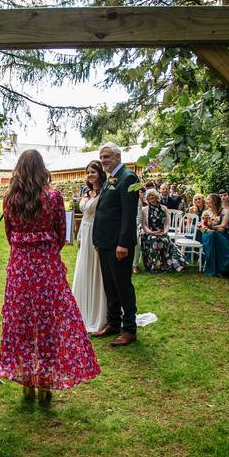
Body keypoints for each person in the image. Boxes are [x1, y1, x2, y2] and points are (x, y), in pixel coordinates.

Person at [0, 149, 100, 406]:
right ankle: (45, 383)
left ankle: (26, 382)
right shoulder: (54, 197)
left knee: (21, 322)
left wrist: (24, 249)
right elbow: (59, 233)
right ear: (42, 168)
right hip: (46, 267)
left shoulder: (10, 198)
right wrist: (46, 251)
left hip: (20, 267)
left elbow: (10, 235)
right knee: (48, 324)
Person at [91, 143, 140, 346]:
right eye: (102, 157)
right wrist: (97, 240)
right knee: (109, 285)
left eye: (107, 157)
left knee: (122, 285)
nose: (103, 161)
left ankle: (129, 328)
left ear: (118, 157)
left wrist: (123, 244)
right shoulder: (110, 178)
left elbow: (128, 215)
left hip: (118, 245)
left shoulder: (129, 178)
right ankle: (113, 322)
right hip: (104, 242)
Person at [71, 161, 108, 333]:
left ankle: (97, 312)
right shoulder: (87, 192)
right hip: (84, 234)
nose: (90, 175)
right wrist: (78, 235)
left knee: (96, 270)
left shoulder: (105, 192)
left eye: (93, 172)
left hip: (96, 232)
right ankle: (80, 309)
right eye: (88, 172)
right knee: (84, 269)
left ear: (100, 173)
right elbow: (84, 215)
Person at [140, 189, 186, 273]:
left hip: (162, 232)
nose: (151, 197)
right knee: (155, 240)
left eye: (153, 195)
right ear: (147, 198)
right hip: (149, 233)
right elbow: (144, 225)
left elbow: (167, 223)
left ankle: (166, 264)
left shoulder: (164, 208)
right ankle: (155, 266)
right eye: (149, 196)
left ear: (157, 196)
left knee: (163, 240)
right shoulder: (144, 210)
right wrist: (152, 232)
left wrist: (164, 232)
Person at [199, 193, 229, 277]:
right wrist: (212, 228)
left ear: (214, 201)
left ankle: (221, 269)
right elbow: (204, 228)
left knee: (215, 235)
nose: (206, 201)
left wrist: (212, 226)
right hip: (207, 235)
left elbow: (223, 227)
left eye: (208, 199)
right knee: (213, 235)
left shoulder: (224, 211)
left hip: (222, 235)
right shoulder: (205, 213)